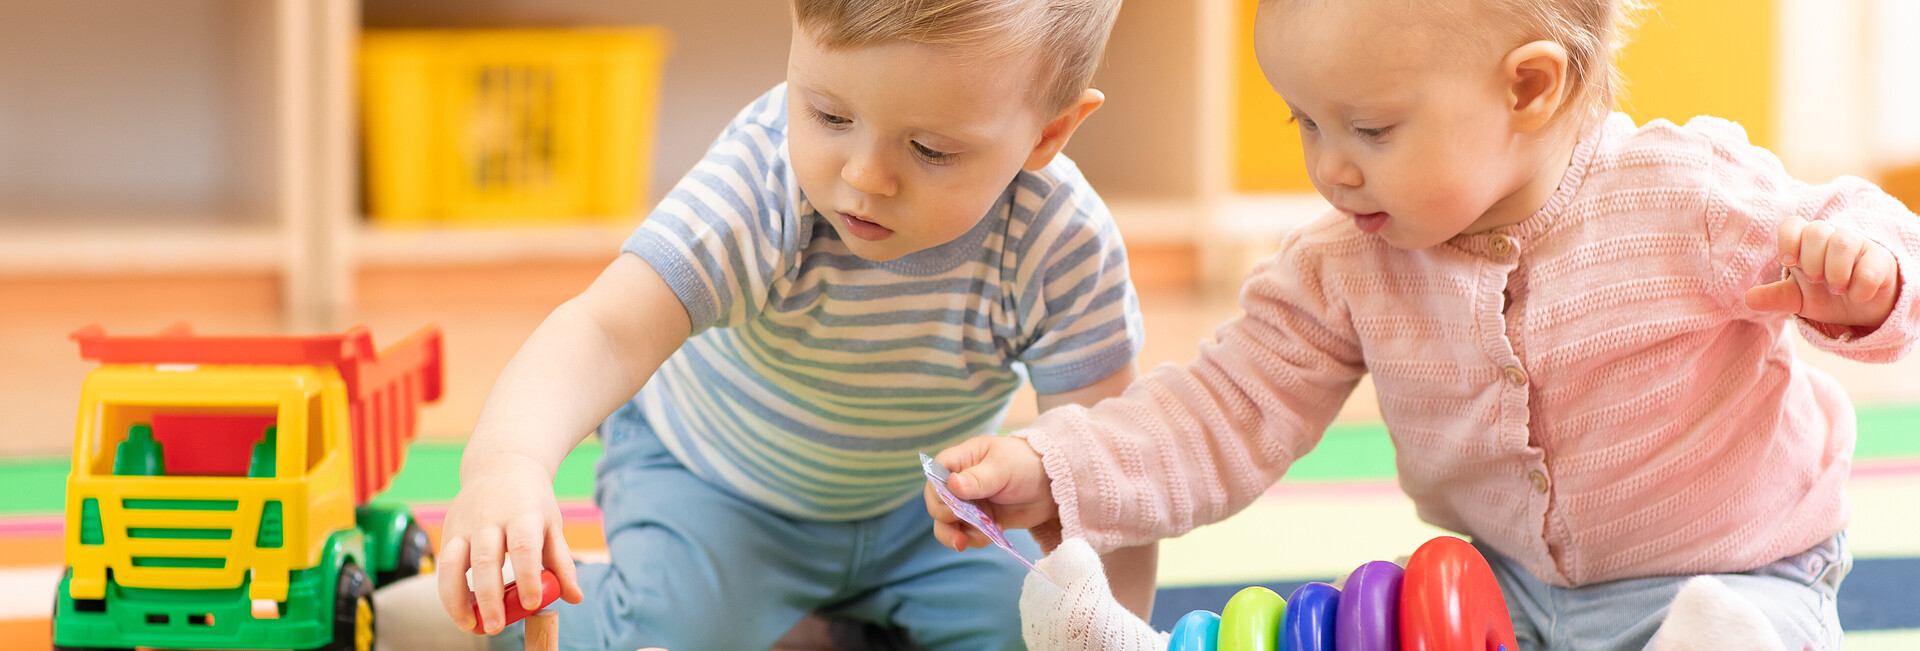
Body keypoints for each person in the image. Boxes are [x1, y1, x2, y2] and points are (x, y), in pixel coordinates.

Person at [926, 0, 1920, 649]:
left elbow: (1858, 230)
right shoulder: (1348, 260)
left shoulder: (1685, 197)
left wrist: (1863, 281)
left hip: (1742, 572)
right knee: (1370, 624)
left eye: (1371, 129)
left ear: (1529, 88)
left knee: (1752, 635)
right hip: (1508, 599)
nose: (1330, 168)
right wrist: (1055, 468)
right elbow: (1221, 409)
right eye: (1304, 123)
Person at [390, 1, 1163, 649]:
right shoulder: (761, 188)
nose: (864, 175)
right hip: (715, 481)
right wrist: (507, 466)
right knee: (673, 631)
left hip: (924, 514)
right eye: (827, 113)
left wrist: (1112, 629)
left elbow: (1102, 469)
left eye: (930, 149)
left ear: (1047, 136)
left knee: (1037, 624)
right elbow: (602, 333)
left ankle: (817, 621)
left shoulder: (1061, 242)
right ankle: (485, 611)